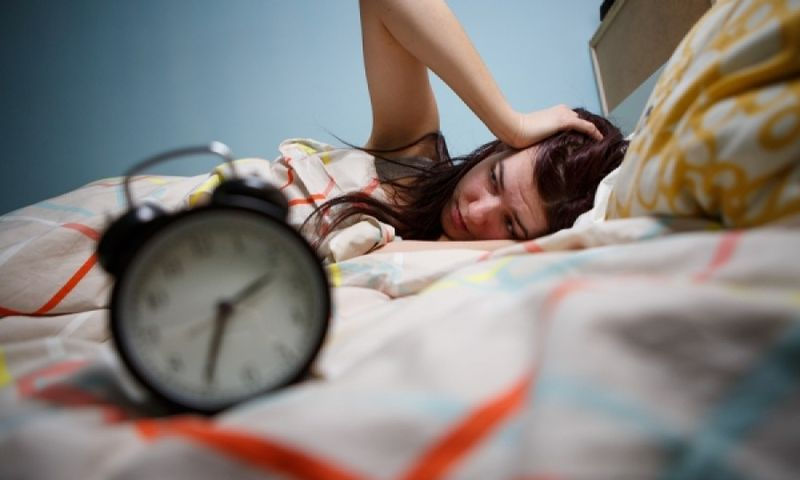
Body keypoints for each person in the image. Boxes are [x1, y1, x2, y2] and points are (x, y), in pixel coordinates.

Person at [300, 0, 628, 255]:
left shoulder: (462, 269)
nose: (475, 211)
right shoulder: (410, 159)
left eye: (510, 224)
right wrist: (512, 123)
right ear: (498, 149)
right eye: (494, 179)